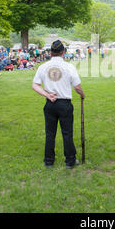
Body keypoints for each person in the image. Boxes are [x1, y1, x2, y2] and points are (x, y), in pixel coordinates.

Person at [32, 40, 85, 169]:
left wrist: (47, 94)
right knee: (67, 133)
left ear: (51, 52)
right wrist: (82, 95)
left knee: (50, 133)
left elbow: (35, 85)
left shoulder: (43, 66)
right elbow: (77, 87)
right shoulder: (69, 67)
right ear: (63, 52)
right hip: (64, 103)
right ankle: (70, 161)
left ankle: (49, 161)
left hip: (50, 103)